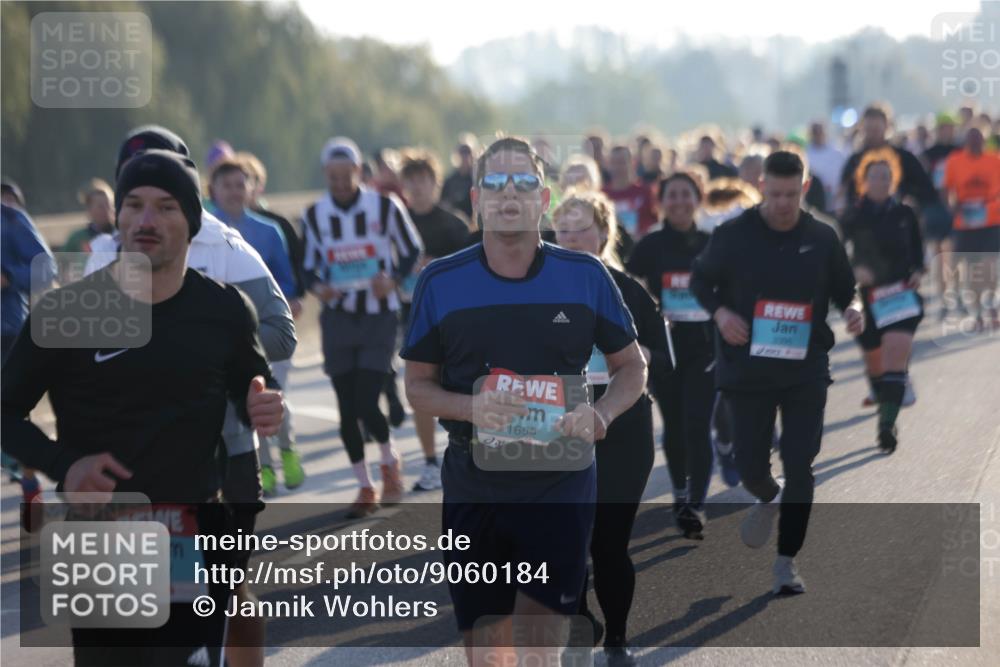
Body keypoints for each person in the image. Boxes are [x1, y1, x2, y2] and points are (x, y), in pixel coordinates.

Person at [1, 149, 284, 667]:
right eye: (133, 205)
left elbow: (252, 381)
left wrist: (262, 403)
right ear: (119, 217)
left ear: (192, 222)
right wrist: (65, 464)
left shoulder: (224, 309)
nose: (146, 220)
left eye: (165, 207)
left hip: (191, 532)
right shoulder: (67, 312)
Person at [401, 137, 646, 666]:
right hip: (474, 481)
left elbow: (632, 367)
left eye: (523, 183)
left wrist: (602, 413)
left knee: (537, 648)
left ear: (543, 199)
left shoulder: (585, 275)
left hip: (559, 480)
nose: (508, 193)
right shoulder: (440, 281)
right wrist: (471, 408)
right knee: (487, 652)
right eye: (494, 183)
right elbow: (416, 387)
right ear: (476, 199)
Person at [690, 151, 864, 595]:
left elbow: (847, 289)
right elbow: (699, 281)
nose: (783, 203)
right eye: (775, 194)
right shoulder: (733, 234)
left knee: (801, 462)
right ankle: (769, 495)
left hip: (805, 367)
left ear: (804, 188)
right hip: (747, 368)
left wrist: (854, 309)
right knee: (750, 467)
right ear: (762, 186)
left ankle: (787, 563)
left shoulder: (822, 236)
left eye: (791, 194)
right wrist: (721, 313)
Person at [553, 190, 666, 665]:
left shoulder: (626, 290)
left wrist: (623, 371)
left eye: (580, 230)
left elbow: (655, 359)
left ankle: (617, 641)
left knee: (608, 543)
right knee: (566, 540)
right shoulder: (538, 290)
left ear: (603, 234)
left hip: (622, 428)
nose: (570, 239)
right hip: (560, 428)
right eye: (562, 231)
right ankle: (581, 625)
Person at [301, 136, 423, 518]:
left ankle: (389, 463)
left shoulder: (384, 207)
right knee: (345, 407)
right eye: (333, 176)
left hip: (378, 314)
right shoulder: (314, 215)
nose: (340, 183)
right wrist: (318, 288)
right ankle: (364, 485)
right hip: (338, 317)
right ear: (325, 174)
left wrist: (393, 279)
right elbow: (306, 266)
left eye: (346, 175)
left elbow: (411, 249)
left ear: (358, 171)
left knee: (366, 401)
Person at [627, 173, 717, 536]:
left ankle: (696, 504)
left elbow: (733, 287)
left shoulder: (712, 243)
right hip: (665, 352)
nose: (679, 201)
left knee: (698, 424)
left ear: (698, 198)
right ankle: (680, 492)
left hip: (705, 350)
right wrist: (650, 313)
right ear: (661, 202)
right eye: (672, 195)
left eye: (686, 194)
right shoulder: (650, 245)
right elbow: (629, 291)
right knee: (676, 426)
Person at [840, 148, 925, 452]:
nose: (881, 181)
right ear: (864, 181)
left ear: (894, 180)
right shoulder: (851, 216)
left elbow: (918, 252)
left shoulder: (905, 213)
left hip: (900, 295)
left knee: (896, 354)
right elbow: (838, 257)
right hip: (866, 299)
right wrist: (854, 271)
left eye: (886, 177)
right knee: (876, 363)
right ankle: (883, 402)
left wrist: (918, 272)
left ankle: (886, 426)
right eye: (875, 176)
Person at [398, 149, 471, 492]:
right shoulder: (395, 223)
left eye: (423, 180)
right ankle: (429, 461)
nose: (417, 187)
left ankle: (468, 451)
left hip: (454, 317)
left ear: (436, 183)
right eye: (411, 181)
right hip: (411, 315)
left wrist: (435, 266)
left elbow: (473, 267)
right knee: (420, 388)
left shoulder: (454, 223)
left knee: (460, 388)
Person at [238, 151, 307, 495]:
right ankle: (263, 467)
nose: (235, 191)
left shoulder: (269, 229)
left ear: (254, 187)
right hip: (234, 332)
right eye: (226, 185)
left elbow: (287, 276)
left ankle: (288, 450)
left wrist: (290, 301)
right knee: (246, 399)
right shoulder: (206, 231)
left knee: (273, 393)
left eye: (241, 183)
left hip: (269, 325)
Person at [1, 202, 56, 522]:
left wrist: (9, 277)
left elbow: (46, 269)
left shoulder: (9, 219)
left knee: (10, 416)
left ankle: (30, 483)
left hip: (6, 333)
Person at [942, 124, 1000, 330]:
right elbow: (946, 189)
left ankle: (991, 306)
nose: (975, 143)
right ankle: (977, 314)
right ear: (965, 141)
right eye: (971, 139)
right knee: (972, 271)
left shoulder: (994, 160)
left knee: (989, 266)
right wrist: (951, 206)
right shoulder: (954, 161)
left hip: (991, 220)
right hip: (965, 222)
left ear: (984, 140)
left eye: (979, 139)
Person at [839, 103, 939, 214]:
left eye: (876, 129)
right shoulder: (855, 160)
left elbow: (925, 189)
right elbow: (845, 193)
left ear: (886, 127)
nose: (872, 134)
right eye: (869, 129)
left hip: (896, 215)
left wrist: (912, 202)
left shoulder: (903, 157)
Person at [921, 113, 960, 315]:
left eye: (949, 128)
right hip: (933, 206)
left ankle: (957, 292)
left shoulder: (959, 150)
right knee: (938, 254)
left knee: (954, 253)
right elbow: (921, 181)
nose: (947, 131)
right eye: (943, 128)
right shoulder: (928, 154)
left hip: (955, 206)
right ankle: (943, 296)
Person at [806, 122, 846, 211]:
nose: (818, 135)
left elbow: (843, 177)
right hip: (813, 200)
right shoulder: (805, 153)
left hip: (834, 201)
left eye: (820, 131)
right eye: (815, 132)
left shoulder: (836, 154)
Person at [440, 135, 478, 219]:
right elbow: (442, 204)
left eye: (468, 152)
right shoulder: (450, 181)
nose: (465, 156)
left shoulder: (478, 179)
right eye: (462, 152)